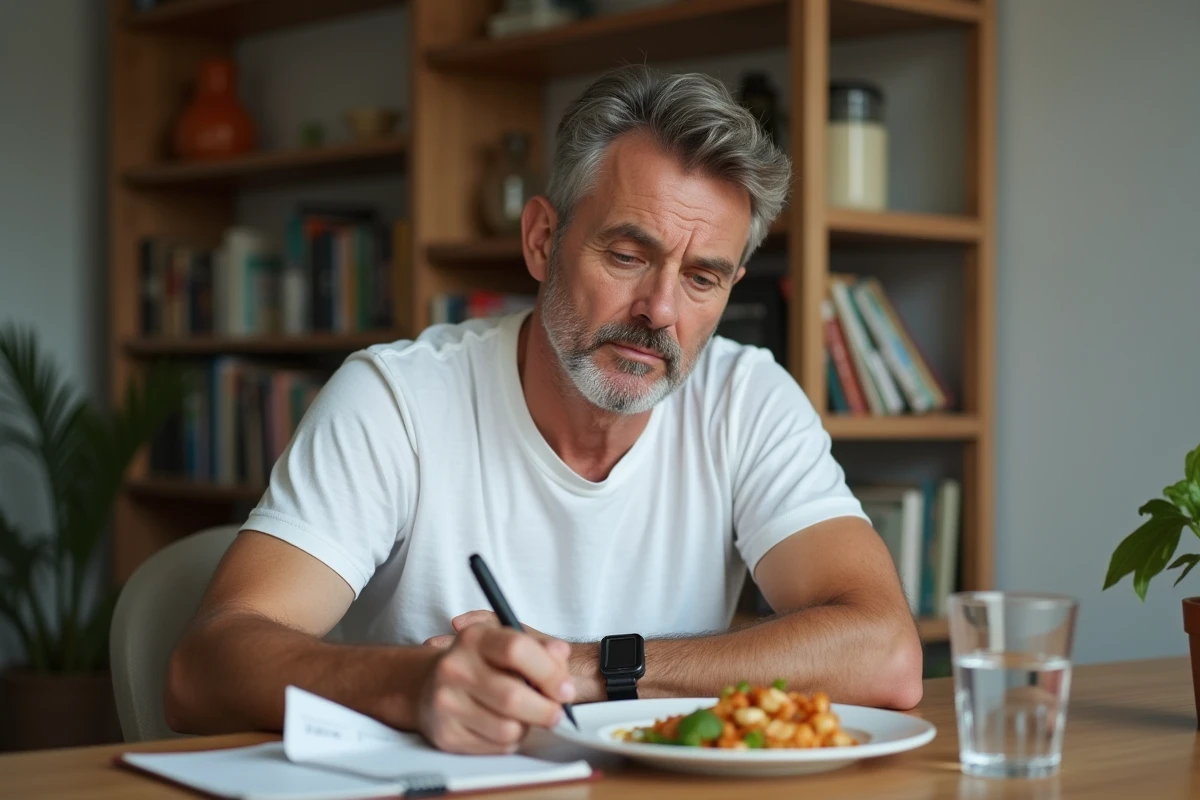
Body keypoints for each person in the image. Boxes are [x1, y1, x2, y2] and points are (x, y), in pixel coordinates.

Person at [165, 65, 923, 755]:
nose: (659, 310)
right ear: (541, 240)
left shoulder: (746, 399)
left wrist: (587, 668)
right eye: (627, 256)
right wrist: (413, 686)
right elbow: (201, 671)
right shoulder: (396, 399)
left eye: (702, 278)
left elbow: (886, 654)